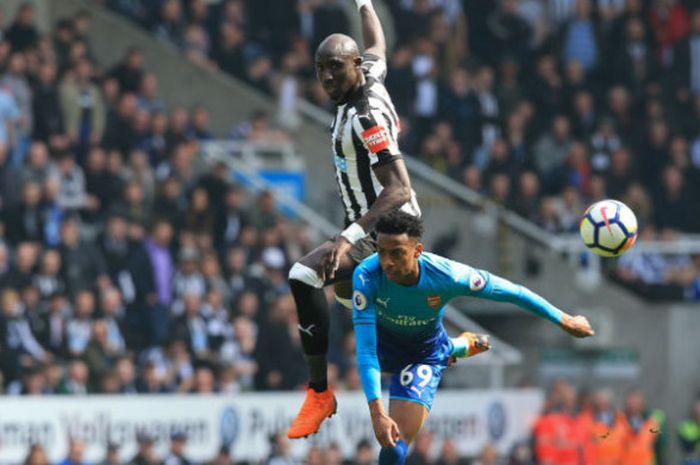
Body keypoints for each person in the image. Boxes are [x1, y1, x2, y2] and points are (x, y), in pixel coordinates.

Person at [351, 210, 595, 465]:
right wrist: (376, 412)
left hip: (422, 355)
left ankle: (450, 348)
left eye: (397, 253)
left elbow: (513, 292)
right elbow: (366, 352)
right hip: (381, 346)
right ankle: (456, 346)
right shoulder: (367, 276)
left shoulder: (447, 275)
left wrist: (563, 318)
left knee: (394, 447)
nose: (387, 262)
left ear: (417, 250)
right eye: (381, 251)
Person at [286, 0, 424, 440]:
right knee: (354, 302)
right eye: (320, 69)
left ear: (353, 68)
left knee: (303, 275)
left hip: (388, 230)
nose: (327, 78)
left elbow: (400, 188)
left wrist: (346, 238)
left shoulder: (365, 117)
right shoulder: (371, 74)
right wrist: (364, 3)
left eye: (335, 69)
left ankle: (319, 393)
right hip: (368, 228)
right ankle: (438, 346)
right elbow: (377, 44)